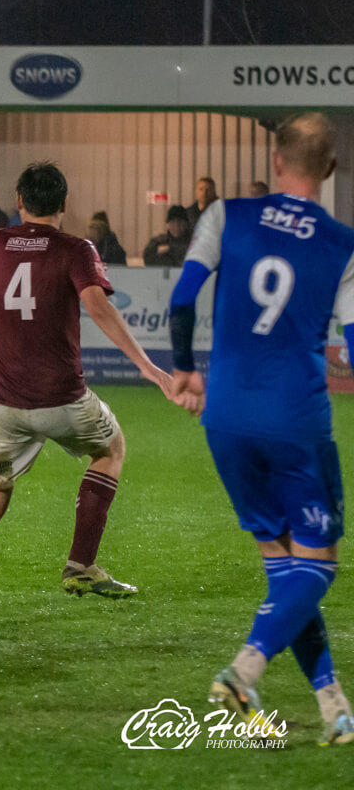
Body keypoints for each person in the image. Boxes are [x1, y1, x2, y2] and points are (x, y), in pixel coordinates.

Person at [168, 113, 354, 746]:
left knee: (285, 572)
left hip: (226, 417)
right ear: (330, 170)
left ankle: (334, 706)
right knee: (319, 566)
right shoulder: (342, 243)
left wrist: (187, 371)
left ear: (277, 162)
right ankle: (246, 670)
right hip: (296, 420)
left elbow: (180, 300)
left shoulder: (225, 215)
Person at [0, 162, 175, 616]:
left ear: (19, 201)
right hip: (60, 398)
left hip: (1, 403)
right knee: (111, 448)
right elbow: (97, 307)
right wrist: (150, 368)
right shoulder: (76, 248)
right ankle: (81, 564)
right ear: (64, 203)